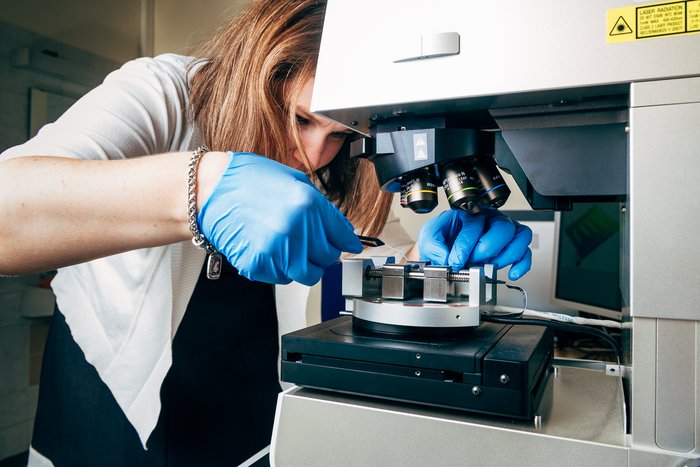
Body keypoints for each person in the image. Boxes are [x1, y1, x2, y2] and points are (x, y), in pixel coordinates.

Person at [0, 0, 532, 465]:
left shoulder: (342, 166)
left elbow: (370, 262)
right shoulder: (164, 91)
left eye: (342, 133)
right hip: (109, 399)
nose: (315, 155)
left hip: (251, 404)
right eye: (300, 120)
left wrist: (428, 256)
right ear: (260, 73)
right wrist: (201, 186)